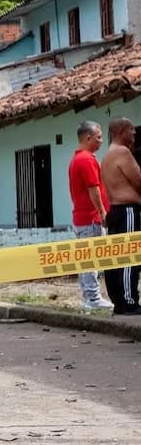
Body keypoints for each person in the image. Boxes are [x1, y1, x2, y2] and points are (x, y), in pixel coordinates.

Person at [67, 121, 114, 310]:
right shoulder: (86, 159)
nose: (101, 141)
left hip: (83, 217)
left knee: (86, 258)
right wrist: (102, 212)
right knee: (90, 259)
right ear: (88, 138)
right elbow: (93, 189)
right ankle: (92, 298)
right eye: (99, 137)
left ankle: (89, 296)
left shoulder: (78, 159)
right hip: (90, 218)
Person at [99, 117, 141, 314]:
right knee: (129, 256)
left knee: (115, 257)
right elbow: (139, 181)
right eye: (131, 130)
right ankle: (129, 301)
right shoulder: (122, 152)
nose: (134, 134)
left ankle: (119, 301)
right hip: (128, 211)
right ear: (121, 130)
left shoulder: (106, 155)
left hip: (115, 211)